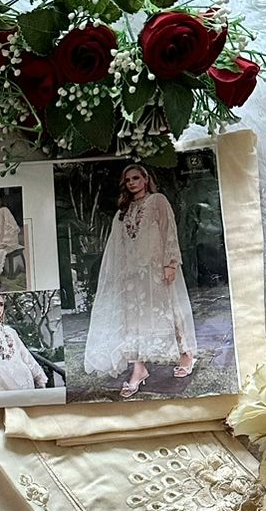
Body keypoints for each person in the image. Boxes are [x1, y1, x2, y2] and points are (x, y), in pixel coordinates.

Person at [82, 163, 197, 396]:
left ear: (145, 179)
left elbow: (169, 231)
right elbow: (118, 245)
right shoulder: (123, 211)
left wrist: (170, 263)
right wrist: (120, 274)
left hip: (156, 268)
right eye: (128, 180)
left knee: (169, 309)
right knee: (132, 319)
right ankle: (139, 368)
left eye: (136, 178)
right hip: (132, 274)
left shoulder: (158, 201)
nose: (132, 183)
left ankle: (186, 355)